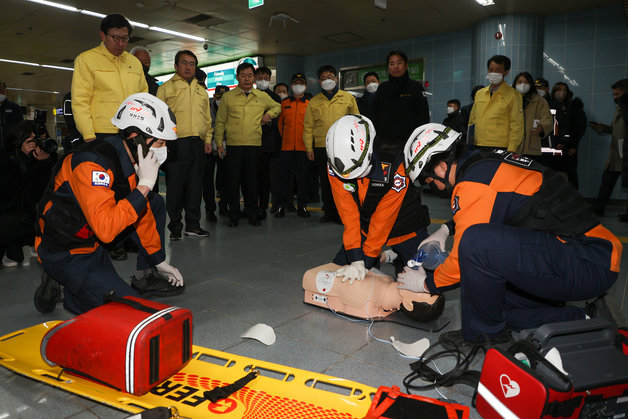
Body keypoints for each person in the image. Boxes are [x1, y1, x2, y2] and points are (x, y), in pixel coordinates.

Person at [399, 123, 622, 349]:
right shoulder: (484, 162)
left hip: (588, 259)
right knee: (491, 304)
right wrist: (446, 229)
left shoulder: (474, 183)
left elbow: (464, 254)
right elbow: (493, 207)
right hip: (578, 254)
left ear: (438, 168)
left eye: (428, 181)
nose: (434, 187)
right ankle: (589, 320)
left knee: (474, 245)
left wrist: (427, 284)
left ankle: (482, 336)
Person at [35, 93, 184, 315]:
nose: (165, 150)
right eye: (161, 142)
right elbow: (106, 229)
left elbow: (143, 215)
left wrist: (158, 259)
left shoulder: (127, 156)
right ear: (136, 137)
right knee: (129, 312)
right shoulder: (91, 164)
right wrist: (144, 185)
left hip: (92, 241)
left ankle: (78, 288)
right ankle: (57, 274)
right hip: (66, 249)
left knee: (153, 203)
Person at [326, 115, 431, 283]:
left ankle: (396, 256)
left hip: (406, 226)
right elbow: (348, 213)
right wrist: (356, 258)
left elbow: (383, 218)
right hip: (366, 228)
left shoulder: (396, 165)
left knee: (423, 287)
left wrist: (365, 261)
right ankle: (385, 255)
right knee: (338, 276)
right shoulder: (336, 165)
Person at [214, 63, 282, 227]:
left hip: (254, 146)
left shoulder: (261, 96)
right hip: (234, 145)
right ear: (237, 77)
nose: (246, 78)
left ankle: (253, 214)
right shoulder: (228, 97)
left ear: (253, 77)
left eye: (249, 75)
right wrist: (219, 144)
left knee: (252, 182)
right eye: (243, 75)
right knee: (233, 182)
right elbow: (220, 122)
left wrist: (268, 115)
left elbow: (277, 106)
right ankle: (234, 215)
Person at [157, 50, 213, 240]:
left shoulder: (201, 90)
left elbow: (207, 119)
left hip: (197, 144)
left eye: (192, 64)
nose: (188, 67)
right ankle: (174, 228)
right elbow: (159, 118)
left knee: (195, 187)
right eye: (184, 63)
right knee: (175, 188)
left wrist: (207, 140)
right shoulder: (165, 88)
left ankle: (193, 225)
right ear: (176, 66)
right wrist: (161, 142)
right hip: (175, 144)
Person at [71, 14, 148, 142]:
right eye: (115, 38)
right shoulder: (86, 60)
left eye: (125, 38)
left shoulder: (134, 62)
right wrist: (88, 135)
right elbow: (80, 101)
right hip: (101, 133)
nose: (120, 43)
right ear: (103, 35)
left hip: (132, 132)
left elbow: (143, 97)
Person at [303, 64, 360, 223]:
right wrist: (309, 147)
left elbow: (356, 121)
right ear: (319, 82)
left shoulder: (347, 98)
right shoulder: (314, 102)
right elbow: (308, 126)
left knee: (344, 181)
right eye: (323, 78)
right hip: (322, 147)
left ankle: (344, 213)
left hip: (343, 147)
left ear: (336, 78)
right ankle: (329, 213)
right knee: (326, 181)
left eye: (330, 77)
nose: (327, 80)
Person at [303, 263, 444, 323]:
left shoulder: (368, 297)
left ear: (408, 304)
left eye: (425, 291)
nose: (424, 285)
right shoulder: (386, 280)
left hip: (318, 276)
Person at [0, 121, 57, 267]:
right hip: (12, 217)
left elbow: (42, 192)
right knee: (6, 223)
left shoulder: (41, 160)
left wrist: (45, 162)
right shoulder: (8, 162)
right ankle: (14, 249)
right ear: (18, 142)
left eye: (35, 140)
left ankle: (34, 242)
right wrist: (23, 159)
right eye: (29, 141)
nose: (34, 145)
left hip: (37, 217)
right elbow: (10, 195)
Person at [372, 50, 430, 154]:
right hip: (383, 145)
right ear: (388, 67)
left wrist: (420, 140)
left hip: (410, 144)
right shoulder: (382, 88)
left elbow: (423, 116)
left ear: (406, 65)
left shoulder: (415, 87)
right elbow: (374, 115)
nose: (395, 67)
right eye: (391, 64)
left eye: (399, 63)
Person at [468, 55, 524, 152]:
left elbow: (517, 125)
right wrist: (469, 143)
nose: (493, 73)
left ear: (506, 72)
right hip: (478, 145)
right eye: (490, 69)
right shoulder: (480, 93)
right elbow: (472, 120)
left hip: (500, 147)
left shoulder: (514, 95)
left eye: (498, 70)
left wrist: (512, 149)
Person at [591, 79, 628, 218]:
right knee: (606, 181)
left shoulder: (625, 109)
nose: (615, 97)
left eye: (617, 94)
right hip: (615, 154)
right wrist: (603, 128)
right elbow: (615, 128)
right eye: (614, 94)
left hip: (624, 152)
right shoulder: (619, 109)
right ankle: (598, 208)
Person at [276, 72, 310, 218]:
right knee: (283, 178)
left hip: (304, 148)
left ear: (306, 86)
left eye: (301, 83)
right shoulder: (284, 104)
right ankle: (280, 207)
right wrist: (285, 139)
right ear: (291, 86)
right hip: (287, 148)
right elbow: (279, 124)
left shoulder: (310, 103)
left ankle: (302, 207)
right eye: (296, 83)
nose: (298, 86)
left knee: (303, 179)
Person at [254, 67, 283, 220]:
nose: (263, 80)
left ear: (270, 79)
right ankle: (251, 206)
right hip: (249, 143)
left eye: (266, 77)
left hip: (267, 144)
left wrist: (259, 127)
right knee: (251, 177)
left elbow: (275, 119)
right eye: (260, 77)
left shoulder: (275, 98)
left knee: (265, 178)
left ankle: (263, 207)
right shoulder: (249, 95)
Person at [547, 82, 586, 188]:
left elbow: (578, 128)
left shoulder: (573, 106)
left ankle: (574, 200)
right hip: (554, 147)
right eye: (559, 90)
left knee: (570, 174)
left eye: (564, 90)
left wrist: (573, 145)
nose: (562, 93)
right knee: (554, 174)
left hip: (568, 147)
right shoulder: (549, 106)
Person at [512, 72, 553, 159]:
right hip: (512, 147)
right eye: (519, 82)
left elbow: (548, 120)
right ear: (515, 84)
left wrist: (541, 127)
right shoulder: (510, 100)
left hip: (531, 147)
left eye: (526, 82)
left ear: (531, 84)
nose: (523, 84)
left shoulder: (540, 101)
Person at [204, 85, 230, 222]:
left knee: (226, 179)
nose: (221, 100)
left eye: (225, 98)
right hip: (208, 148)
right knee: (208, 181)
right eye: (219, 97)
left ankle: (224, 206)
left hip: (225, 147)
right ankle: (210, 210)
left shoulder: (231, 109)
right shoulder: (207, 108)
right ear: (214, 97)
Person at [0, 81, 24, 152]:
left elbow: (21, 127)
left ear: (7, 91)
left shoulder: (15, 107)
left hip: (11, 148)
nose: (0, 94)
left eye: (2, 91)